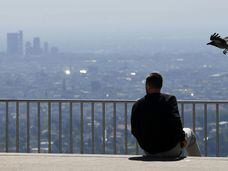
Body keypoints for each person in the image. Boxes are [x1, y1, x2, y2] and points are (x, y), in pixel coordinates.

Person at [131, 72, 201, 158]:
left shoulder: (138, 105)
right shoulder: (169, 100)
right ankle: (199, 165)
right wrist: (182, 139)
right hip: (171, 149)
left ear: (147, 85)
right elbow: (176, 123)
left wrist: (145, 143)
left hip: (149, 151)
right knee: (190, 134)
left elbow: (134, 130)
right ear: (160, 85)